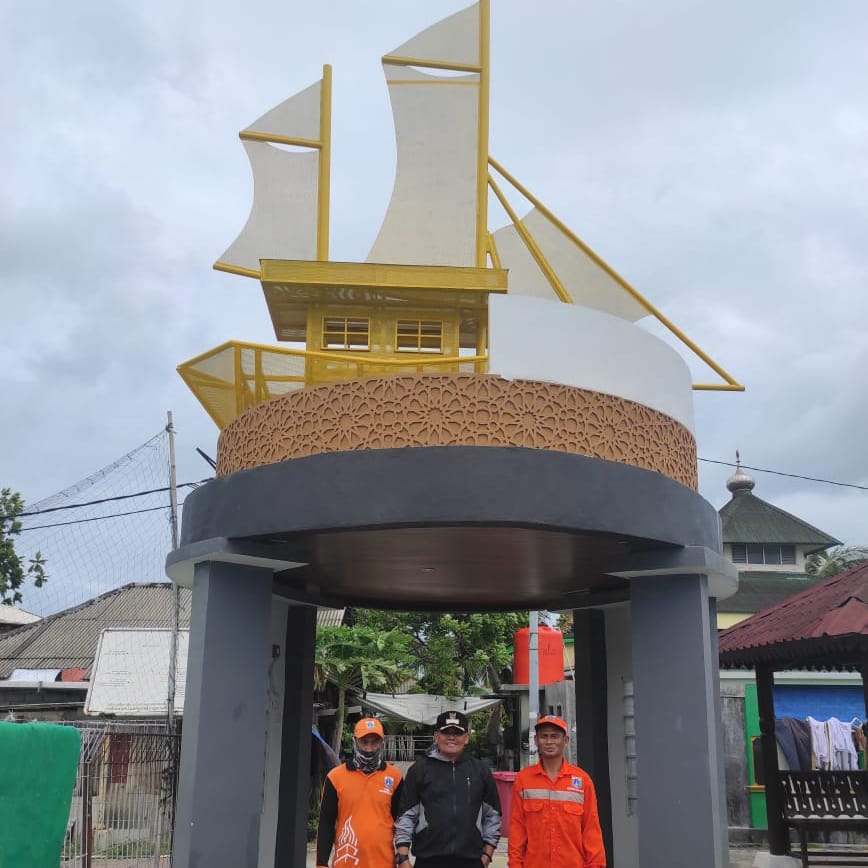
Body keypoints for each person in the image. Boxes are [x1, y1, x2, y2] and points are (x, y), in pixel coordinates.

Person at [395, 710, 501, 868]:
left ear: (466, 738)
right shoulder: (419, 770)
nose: (451, 737)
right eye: (446, 732)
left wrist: (487, 855)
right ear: (436, 736)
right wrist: (403, 857)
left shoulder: (480, 771)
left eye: (457, 733)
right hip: (428, 860)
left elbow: (493, 815)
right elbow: (406, 815)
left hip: (471, 861)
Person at [508, 715, 605, 868]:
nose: (549, 741)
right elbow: (517, 829)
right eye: (544, 736)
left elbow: (591, 829)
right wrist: (515, 864)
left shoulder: (582, 780)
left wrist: (596, 865)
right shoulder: (523, 780)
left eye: (554, 736)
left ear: (565, 740)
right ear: (536, 741)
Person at [316, 717, 403, 868]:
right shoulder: (335, 778)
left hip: (384, 863)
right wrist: (321, 864)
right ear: (354, 742)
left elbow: (402, 824)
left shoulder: (395, 777)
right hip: (346, 863)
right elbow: (326, 824)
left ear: (381, 743)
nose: (369, 748)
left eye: (374, 742)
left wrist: (403, 859)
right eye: (364, 742)